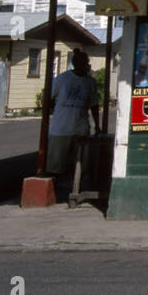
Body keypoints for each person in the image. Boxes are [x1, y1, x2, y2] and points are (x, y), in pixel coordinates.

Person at [47, 48, 99, 193]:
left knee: (83, 163)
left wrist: (97, 126)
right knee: (55, 164)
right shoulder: (62, 79)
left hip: (81, 127)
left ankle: (78, 189)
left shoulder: (90, 82)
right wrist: (54, 111)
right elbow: (48, 98)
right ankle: (53, 191)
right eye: (85, 63)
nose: (87, 66)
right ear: (76, 64)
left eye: (87, 63)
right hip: (61, 128)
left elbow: (94, 105)